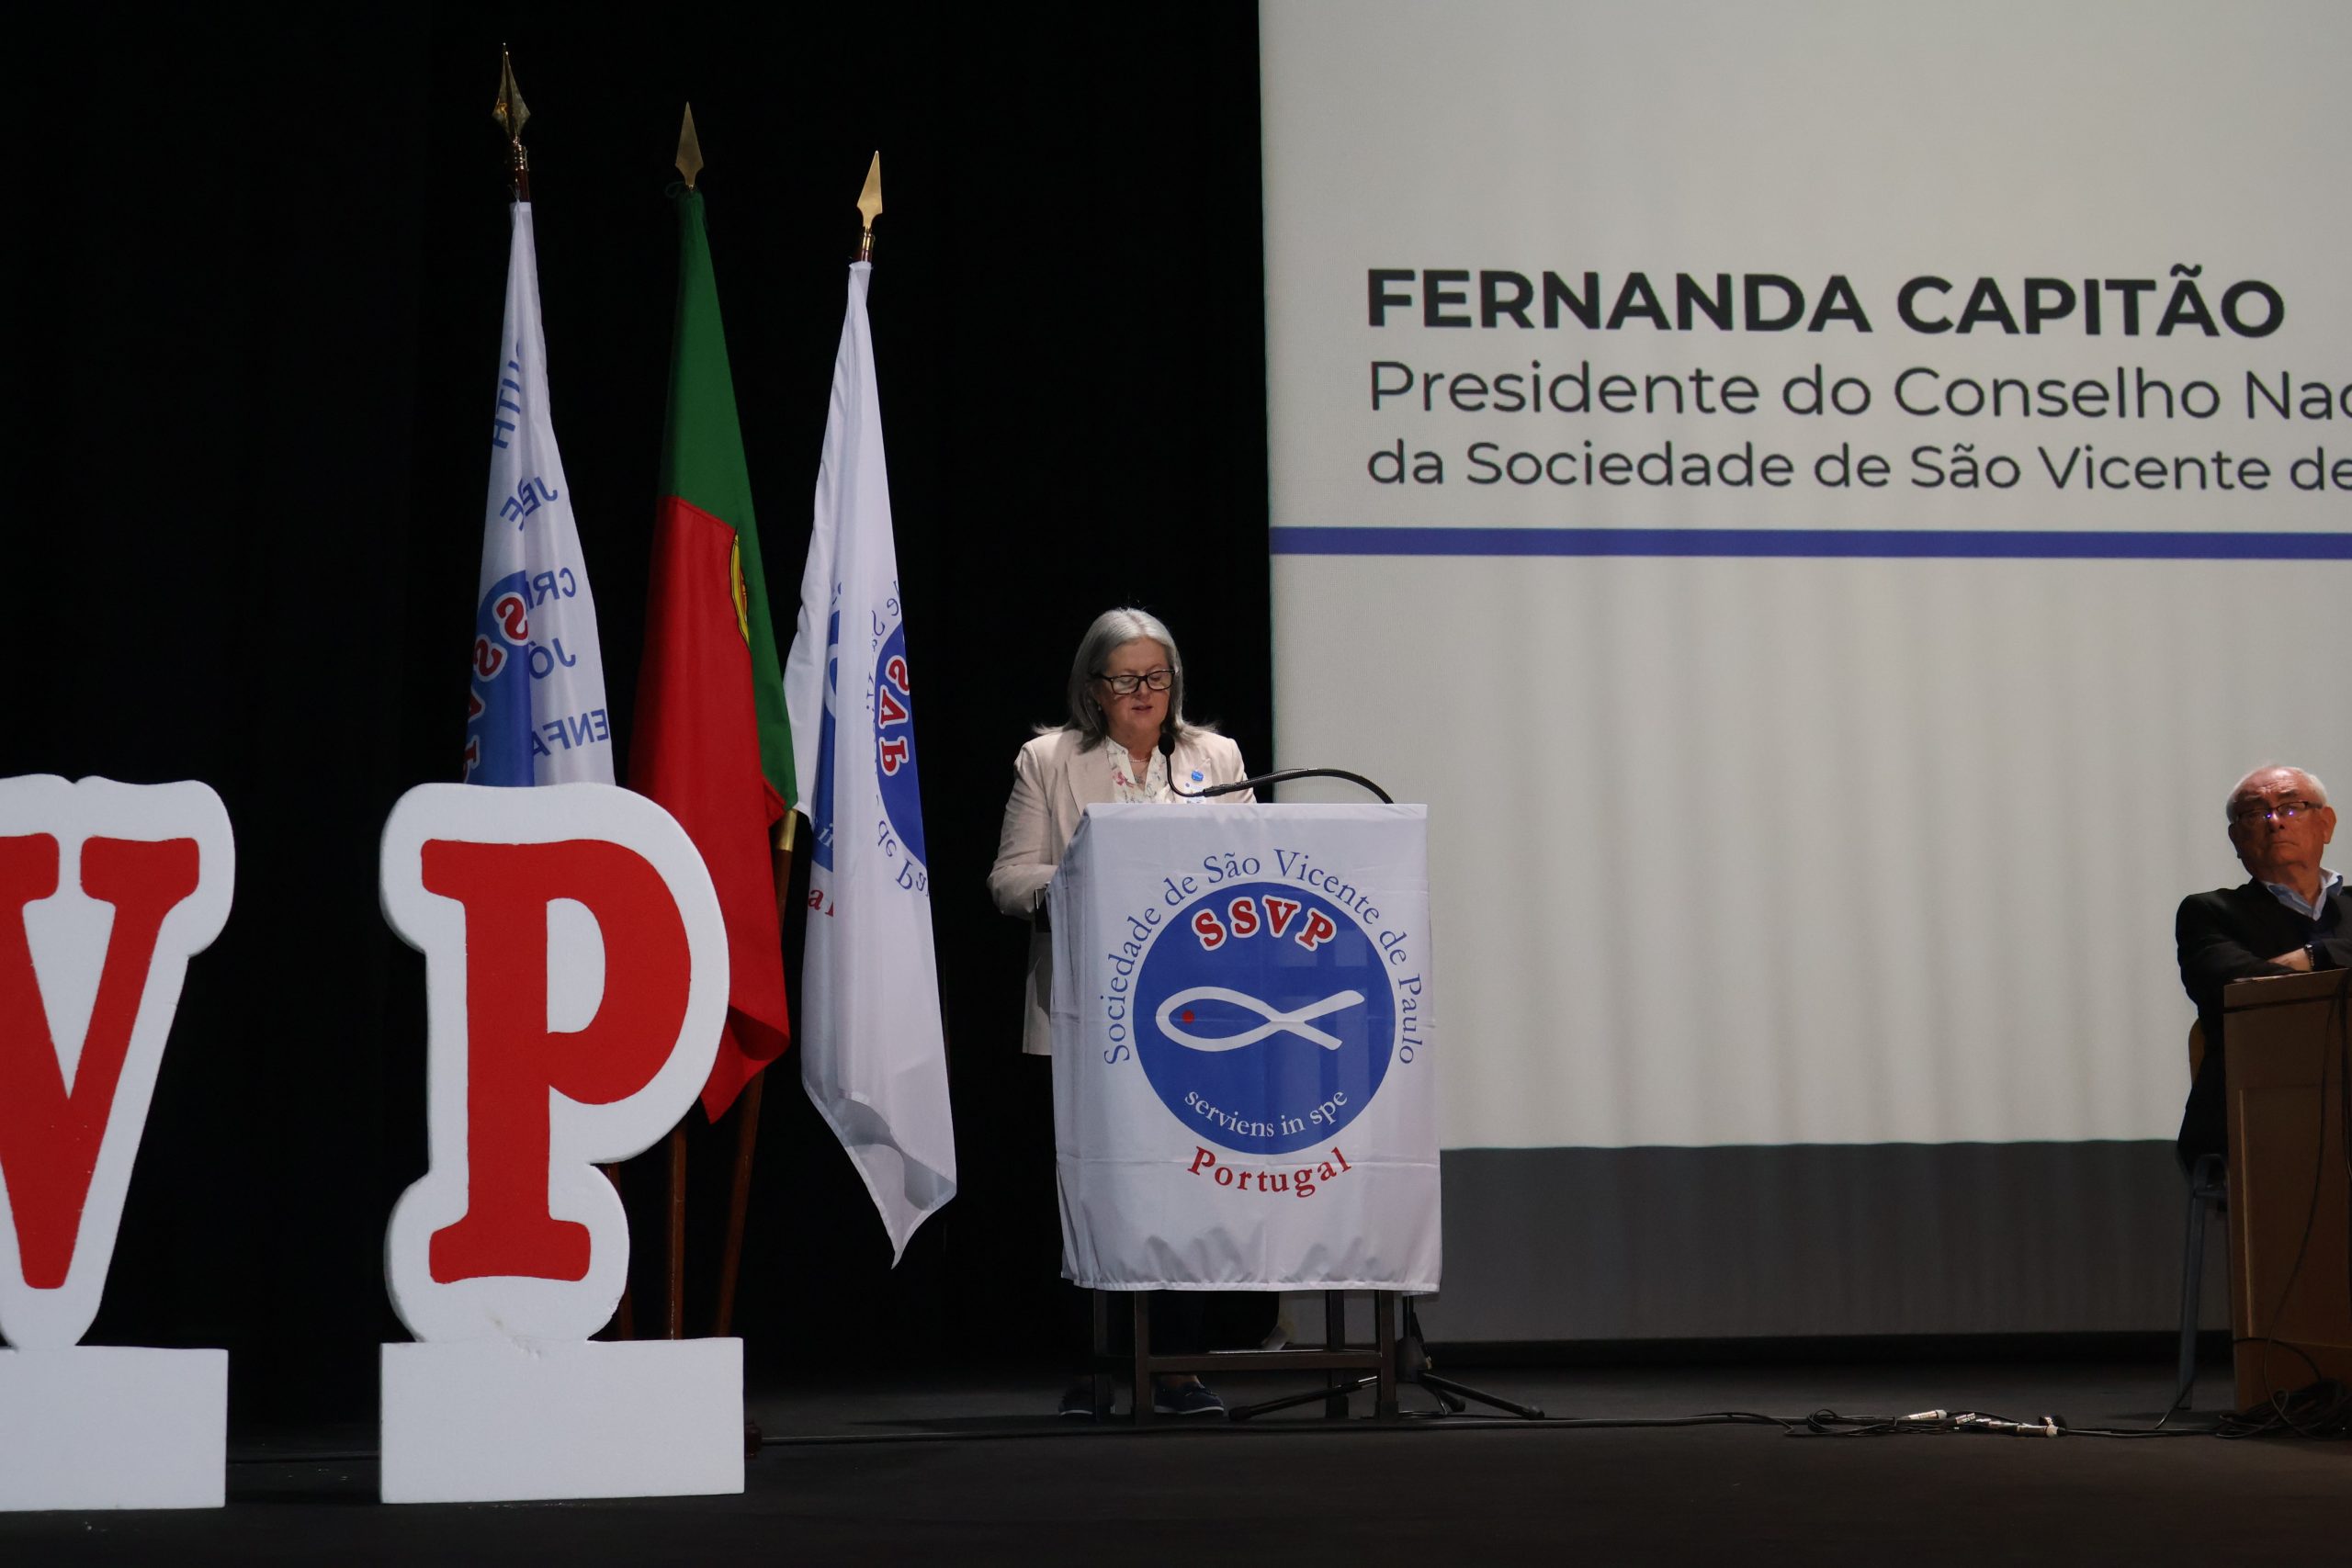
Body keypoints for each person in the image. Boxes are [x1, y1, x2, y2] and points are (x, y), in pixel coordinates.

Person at [989, 607, 1257, 1418]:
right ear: (1093, 689)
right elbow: (1009, 880)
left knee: (1188, 1187)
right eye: (1126, 678)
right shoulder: (1049, 761)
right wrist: (1087, 880)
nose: (1145, 692)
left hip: (1195, 1015)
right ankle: (1098, 1369)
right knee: (1096, 1190)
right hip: (1087, 1012)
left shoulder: (1215, 758)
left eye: (1157, 676)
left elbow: (1251, 868)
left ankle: (1177, 1368)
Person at [2175, 764, 2352, 1164]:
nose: (2275, 822)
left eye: (2291, 807)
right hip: (2258, 1115)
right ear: (2236, 839)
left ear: (2326, 824)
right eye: (2255, 813)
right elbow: (2238, 989)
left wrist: (2316, 956)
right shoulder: (2210, 912)